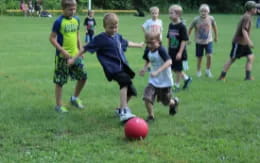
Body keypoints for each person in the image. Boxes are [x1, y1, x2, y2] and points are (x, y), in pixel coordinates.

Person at [68, 13, 144, 122]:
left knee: (131, 91)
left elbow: (127, 42)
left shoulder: (118, 37)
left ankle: (119, 109)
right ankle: (124, 111)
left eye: (116, 27)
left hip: (122, 67)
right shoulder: (100, 39)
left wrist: (138, 45)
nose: (113, 30)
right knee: (124, 81)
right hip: (112, 68)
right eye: (111, 27)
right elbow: (85, 48)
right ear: (105, 26)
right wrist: (73, 59)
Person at [49, 0, 87, 113]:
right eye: (70, 9)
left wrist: (81, 50)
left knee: (83, 77)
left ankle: (74, 98)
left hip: (76, 56)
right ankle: (59, 105)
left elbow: (77, 35)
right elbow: (52, 38)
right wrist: (62, 50)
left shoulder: (77, 20)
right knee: (60, 81)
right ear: (63, 9)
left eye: (74, 9)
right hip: (62, 57)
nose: (73, 11)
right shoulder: (58, 22)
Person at [139, 32, 179, 122]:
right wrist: (144, 68)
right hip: (153, 80)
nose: (149, 45)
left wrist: (157, 71)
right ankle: (151, 116)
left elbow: (169, 62)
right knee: (147, 97)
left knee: (165, 102)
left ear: (158, 41)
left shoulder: (161, 50)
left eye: (152, 43)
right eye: (147, 43)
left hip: (165, 81)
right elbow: (147, 60)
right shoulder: (148, 49)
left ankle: (174, 102)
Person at [218, 1, 258, 81]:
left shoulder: (248, 16)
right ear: (251, 9)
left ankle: (248, 77)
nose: (257, 10)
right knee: (232, 59)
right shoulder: (247, 17)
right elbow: (244, 30)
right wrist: (249, 42)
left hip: (244, 43)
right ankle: (222, 76)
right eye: (255, 8)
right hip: (239, 42)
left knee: (250, 57)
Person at [188, 4, 218, 78]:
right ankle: (198, 71)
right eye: (202, 11)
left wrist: (216, 36)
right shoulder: (196, 19)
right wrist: (188, 38)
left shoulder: (211, 18)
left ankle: (208, 71)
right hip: (199, 42)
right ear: (199, 12)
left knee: (209, 56)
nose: (203, 13)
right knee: (199, 57)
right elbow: (190, 28)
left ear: (208, 12)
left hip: (209, 41)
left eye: (205, 11)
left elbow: (215, 27)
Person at [167, 4, 192, 92]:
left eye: (171, 13)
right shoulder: (170, 25)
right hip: (171, 51)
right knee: (173, 68)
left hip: (179, 52)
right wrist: (168, 49)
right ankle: (187, 78)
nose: (169, 15)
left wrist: (180, 52)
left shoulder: (182, 26)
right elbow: (169, 38)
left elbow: (184, 40)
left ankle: (176, 86)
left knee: (178, 69)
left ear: (178, 15)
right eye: (169, 13)